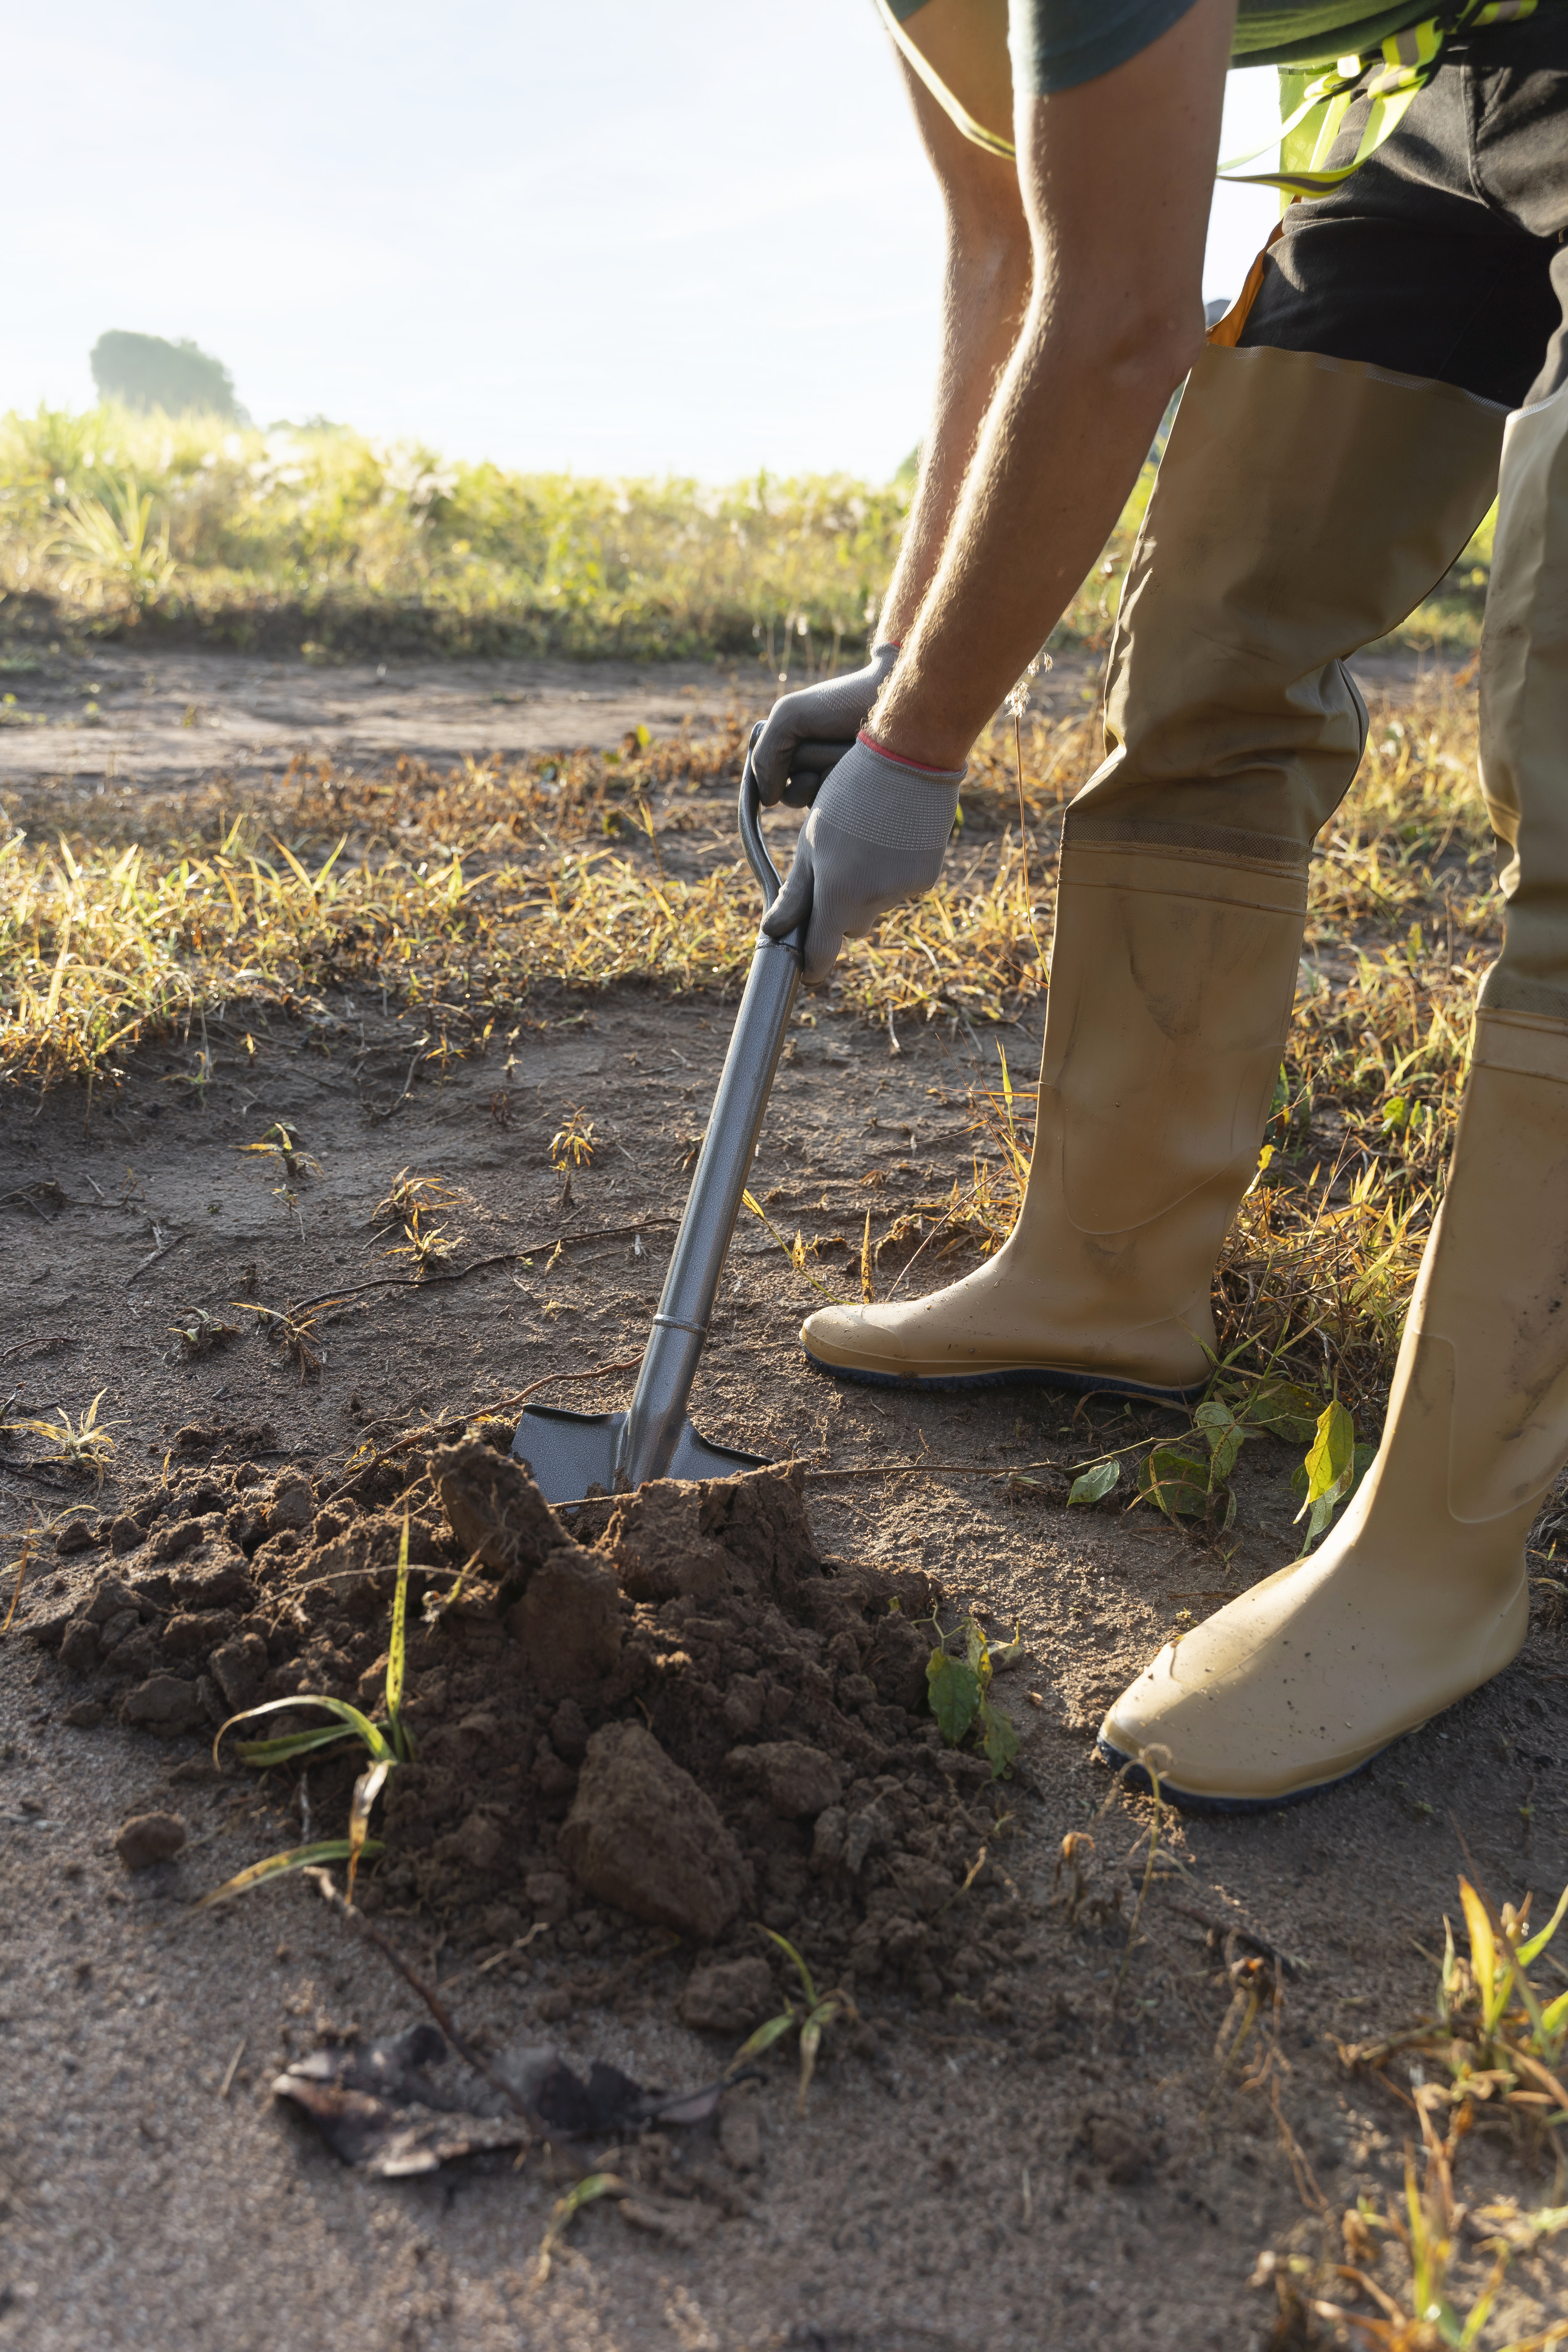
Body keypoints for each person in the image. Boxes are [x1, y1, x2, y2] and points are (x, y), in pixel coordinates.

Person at [749, 0, 1568, 1810]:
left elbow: (1119, 324)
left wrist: (920, 758)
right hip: (1470, 77)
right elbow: (1020, 251)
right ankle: (1102, 1274)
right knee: (1214, 606)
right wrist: (902, 666)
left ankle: (1438, 1553)